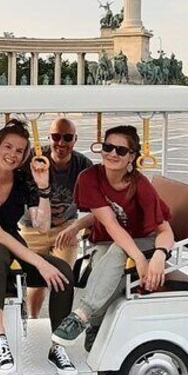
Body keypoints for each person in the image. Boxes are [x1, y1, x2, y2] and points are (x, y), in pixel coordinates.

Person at [0, 119, 76, 375]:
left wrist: (43, 188)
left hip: (15, 251)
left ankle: (58, 345)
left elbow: (41, 227)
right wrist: (40, 262)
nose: (12, 155)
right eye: (8, 147)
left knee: (62, 272)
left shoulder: (22, 182)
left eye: (19, 151)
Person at [52, 125, 174, 355]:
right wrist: (77, 224)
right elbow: (108, 219)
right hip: (109, 242)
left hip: (146, 243)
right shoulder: (90, 177)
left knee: (119, 250)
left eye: (121, 150)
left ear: (132, 157)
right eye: (108, 147)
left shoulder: (141, 185)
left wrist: (157, 256)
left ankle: (81, 316)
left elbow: (165, 231)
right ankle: (96, 325)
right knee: (102, 265)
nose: (112, 154)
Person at [20, 118, 93, 320]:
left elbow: (93, 203)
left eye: (67, 138)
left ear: (75, 140)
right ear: (49, 137)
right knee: (37, 280)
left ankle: (58, 330)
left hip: (66, 227)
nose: (61, 143)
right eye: (56, 137)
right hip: (32, 227)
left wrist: (81, 228)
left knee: (62, 278)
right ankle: (34, 320)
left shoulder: (83, 165)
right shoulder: (34, 160)